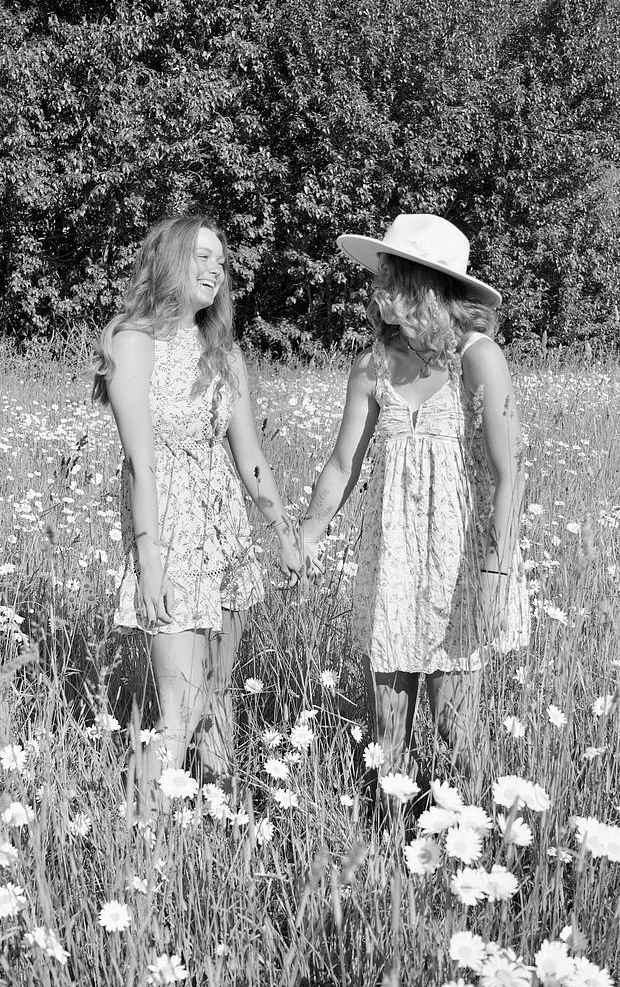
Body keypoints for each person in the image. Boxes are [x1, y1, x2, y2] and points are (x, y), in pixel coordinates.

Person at [299, 213, 530, 798]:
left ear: (427, 286)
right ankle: (388, 836)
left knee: (457, 728)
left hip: (461, 563)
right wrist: (307, 533)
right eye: (380, 276)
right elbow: (342, 463)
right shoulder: (373, 364)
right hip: (393, 558)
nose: (377, 290)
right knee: (388, 730)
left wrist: (496, 573)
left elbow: (509, 476)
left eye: (391, 277)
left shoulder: (478, 357)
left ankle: (481, 830)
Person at [92, 214, 303, 801]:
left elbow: (251, 459)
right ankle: (139, 832)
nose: (215, 270)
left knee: (217, 696)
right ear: (169, 260)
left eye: (221, 261)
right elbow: (140, 462)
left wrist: (284, 533)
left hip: (226, 535)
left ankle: (221, 825)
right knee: (179, 710)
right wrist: (149, 560)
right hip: (169, 535)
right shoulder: (133, 342)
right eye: (201, 257)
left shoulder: (224, 354)